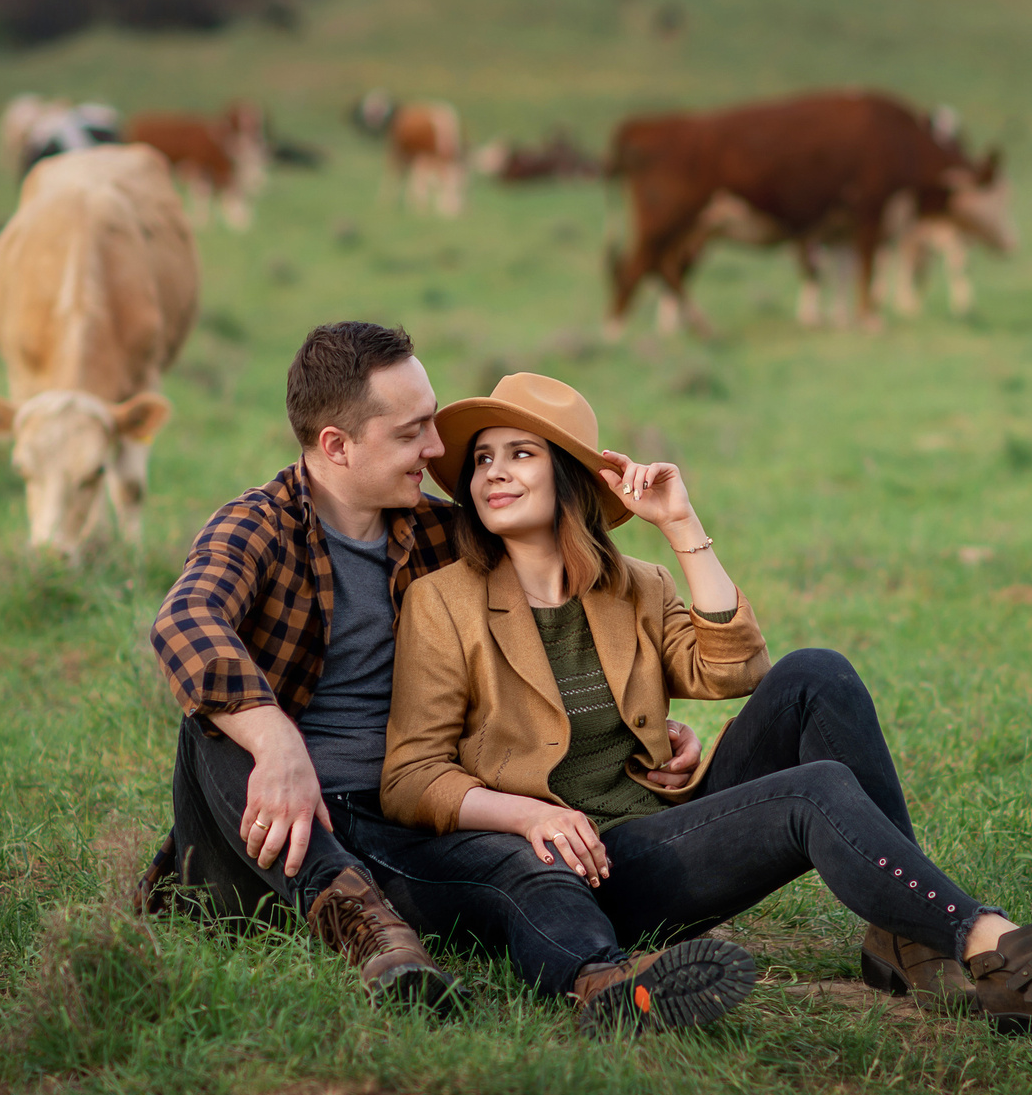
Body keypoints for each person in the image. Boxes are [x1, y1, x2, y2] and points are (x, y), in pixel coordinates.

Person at [382, 371, 1032, 1035]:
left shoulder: (635, 586)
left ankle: (902, 935)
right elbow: (411, 774)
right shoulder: (443, 602)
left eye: (521, 453)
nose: (494, 473)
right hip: (588, 870)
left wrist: (681, 524)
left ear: (571, 476)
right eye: (482, 458)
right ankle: (990, 943)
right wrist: (527, 814)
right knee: (814, 791)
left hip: (667, 825)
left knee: (816, 672)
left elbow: (735, 669)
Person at [145, 323, 708, 1009]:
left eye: (432, 423)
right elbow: (184, 621)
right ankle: (373, 935)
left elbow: (557, 616)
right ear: (337, 445)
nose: (439, 449)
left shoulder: (445, 535)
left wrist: (641, 723)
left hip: (402, 821)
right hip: (266, 836)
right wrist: (277, 741)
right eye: (413, 433)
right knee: (214, 721)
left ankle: (608, 987)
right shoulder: (258, 526)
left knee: (533, 866)